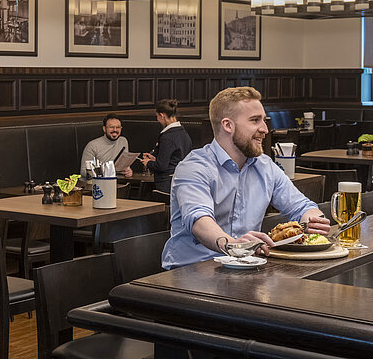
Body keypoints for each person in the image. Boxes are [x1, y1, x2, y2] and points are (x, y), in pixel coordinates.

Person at [161, 87, 330, 270]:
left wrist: (314, 221)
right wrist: (234, 245)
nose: (265, 129)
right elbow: (199, 221)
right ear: (228, 125)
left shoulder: (265, 166)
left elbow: (302, 207)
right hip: (189, 274)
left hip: (245, 269)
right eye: (255, 120)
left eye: (264, 120)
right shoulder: (194, 167)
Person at [140, 99, 193, 192]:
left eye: (157, 116)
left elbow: (161, 166)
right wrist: (155, 159)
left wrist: (148, 163)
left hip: (166, 184)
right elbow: (174, 158)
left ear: (162, 115)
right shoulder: (184, 133)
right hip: (183, 182)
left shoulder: (167, 136)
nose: (157, 120)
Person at [80, 113, 133, 178]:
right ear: (104, 129)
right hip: (98, 184)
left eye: (118, 127)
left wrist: (128, 171)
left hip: (119, 181)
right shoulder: (92, 145)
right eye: (111, 127)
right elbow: (83, 171)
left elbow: (125, 165)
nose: (115, 130)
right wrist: (106, 171)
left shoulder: (123, 141)